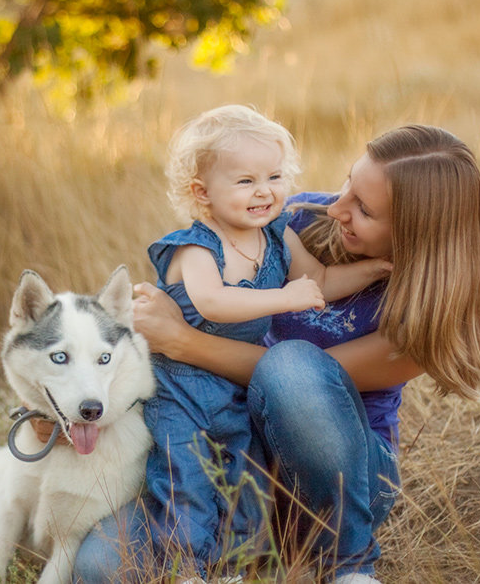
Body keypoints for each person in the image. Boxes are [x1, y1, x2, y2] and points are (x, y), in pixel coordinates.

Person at [72, 124, 480, 584]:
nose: (336, 208)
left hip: (336, 487)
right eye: (347, 184)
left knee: (291, 365)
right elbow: (197, 305)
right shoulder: (289, 219)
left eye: (364, 209)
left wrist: (182, 342)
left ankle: (347, 566)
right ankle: (240, 553)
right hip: (233, 455)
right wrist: (77, 405)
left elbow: (282, 380)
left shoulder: (431, 314)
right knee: (101, 567)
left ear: (416, 234)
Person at [142, 105, 392, 580]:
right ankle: (188, 571)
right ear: (203, 193)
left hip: (234, 392)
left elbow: (319, 280)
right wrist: (285, 297)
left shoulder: (275, 234)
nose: (264, 191)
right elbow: (213, 303)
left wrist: (378, 269)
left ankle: (233, 567)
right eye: (244, 181)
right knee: (187, 476)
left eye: (275, 176)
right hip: (183, 389)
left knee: (243, 475)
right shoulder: (196, 247)